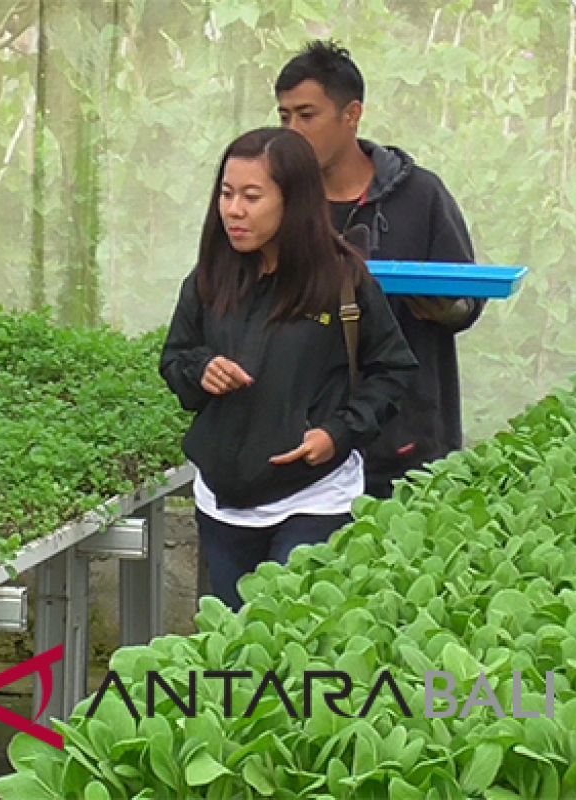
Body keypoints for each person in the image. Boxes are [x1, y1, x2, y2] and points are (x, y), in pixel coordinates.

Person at [160, 127, 417, 610]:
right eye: (227, 193)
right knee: (238, 648)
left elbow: (392, 369)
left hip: (314, 499)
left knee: (289, 636)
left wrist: (338, 433)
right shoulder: (210, 277)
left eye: (252, 196)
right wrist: (202, 370)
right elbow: (175, 357)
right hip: (223, 502)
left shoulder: (342, 282)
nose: (234, 210)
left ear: (294, 200)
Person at [275, 40, 484, 499]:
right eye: (284, 116)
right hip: (307, 443)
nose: (292, 130)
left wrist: (445, 308)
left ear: (352, 115)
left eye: (306, 115)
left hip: (404, 442)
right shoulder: (278, 202)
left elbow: (468, 299)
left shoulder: (420, 195)